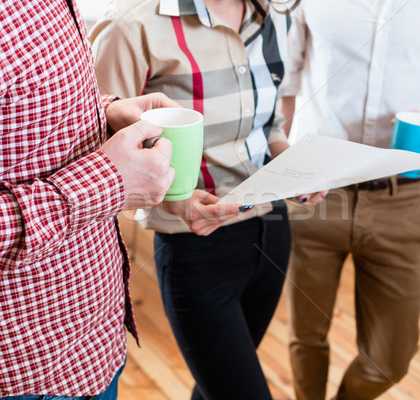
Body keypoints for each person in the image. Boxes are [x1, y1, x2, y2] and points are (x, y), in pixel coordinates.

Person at [0, 1, 180, 399]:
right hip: (18, 370)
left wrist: (103, 112)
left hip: (92, 340)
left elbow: (13, 109)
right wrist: (103, 182)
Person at [90, 0, 299, 398]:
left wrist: (297, 166)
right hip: (196, 245)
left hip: (273, 228)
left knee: (215, 388)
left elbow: (269, 125)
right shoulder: (130, 26)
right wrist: (174, 201)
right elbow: (99, 150)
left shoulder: (272, 16)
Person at [280, 1, 420, 399]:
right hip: (318, 189)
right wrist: (281, 159)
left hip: (399, 197)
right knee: (306, 335)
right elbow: (285, 83)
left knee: (391, 357)